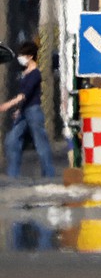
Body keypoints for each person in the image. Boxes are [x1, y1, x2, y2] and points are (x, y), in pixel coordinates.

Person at [0, 41, 55, 178]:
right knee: (12, 140)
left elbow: (24, 94)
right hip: (24, 111)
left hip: (34, 111)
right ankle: (13, 174)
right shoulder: (25, 72)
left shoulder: (35, 74)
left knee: (40, 143)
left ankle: (49, 175)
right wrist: (19, 110)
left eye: (22, 55)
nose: (20, 58)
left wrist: (8, 105)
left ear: (30, 56)